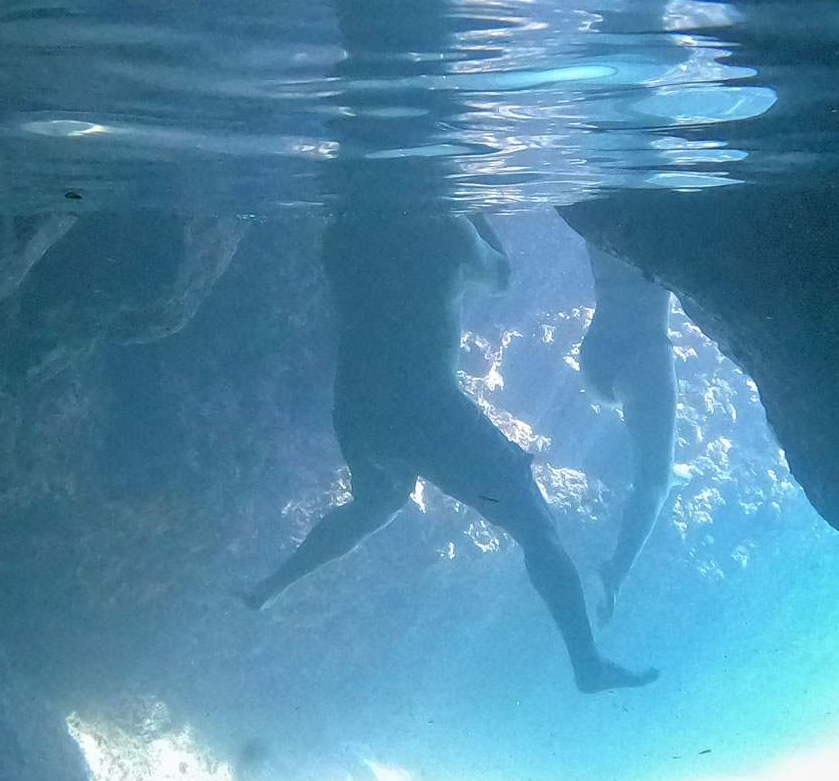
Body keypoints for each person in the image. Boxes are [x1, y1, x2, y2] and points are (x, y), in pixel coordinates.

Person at [245, 206, 658, 694]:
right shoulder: (445, 226)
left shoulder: (344, 227)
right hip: (429, 410)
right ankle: (586, 662)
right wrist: (475, 210)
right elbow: (501, 277)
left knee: (376, 501)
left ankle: (268, 588)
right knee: (533, 520)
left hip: (357, 407)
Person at [578, 243, 677, 623]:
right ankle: (615, 574)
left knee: (650, 450)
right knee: (655, 483)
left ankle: (657, 458)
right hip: (645, 349)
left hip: (596, 352)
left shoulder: (604, 206)